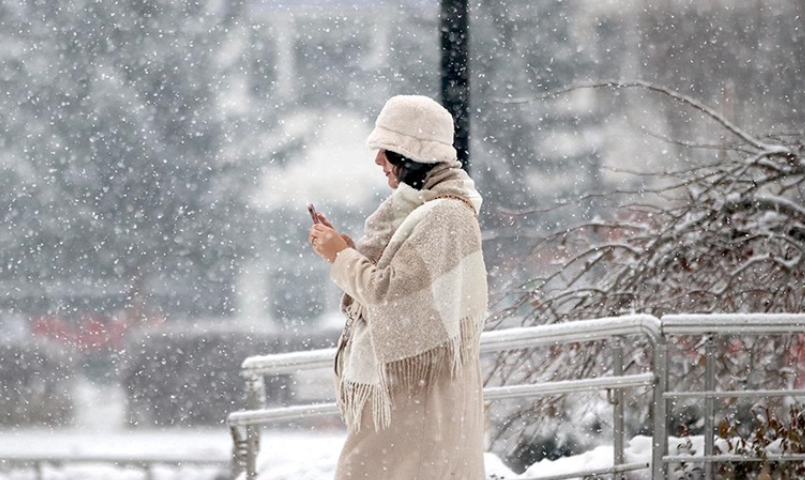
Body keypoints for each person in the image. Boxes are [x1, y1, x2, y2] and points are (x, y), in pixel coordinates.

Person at [308, 95, 488, 480]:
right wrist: (347, 253)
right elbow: (404, 289)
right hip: (409, 402)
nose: (378, 162)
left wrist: (341, 257)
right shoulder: (420, 211)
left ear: (411, 154)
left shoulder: (444, 216)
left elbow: (390, 295)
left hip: (417, 407)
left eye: (385, 151)